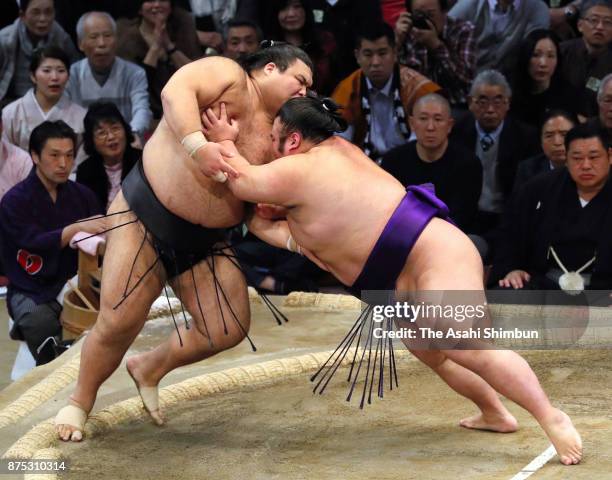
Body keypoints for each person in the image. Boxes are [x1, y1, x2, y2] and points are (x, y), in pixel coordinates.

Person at [201, 94, 582, 465]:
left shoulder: (304, 167)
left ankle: (552, 417)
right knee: (433, 353)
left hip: (433, 255)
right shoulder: (328, 167)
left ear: (294, 140)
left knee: (466, 346)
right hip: (403, 272)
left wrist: (222, 139)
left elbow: (243, 181)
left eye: (273, 138)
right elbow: (270, 227)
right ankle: (494, 412)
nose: (270, 147)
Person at [54, 43, 314, 442]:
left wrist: (297, 243)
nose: (305, 91)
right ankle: (80, 401)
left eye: (310, 87)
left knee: (225, 327)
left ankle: (150, 368)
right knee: (119, 320)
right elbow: (175, 92)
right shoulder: (228, 74)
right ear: (268, 68)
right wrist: (199, 146)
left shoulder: (280, 131)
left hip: (205, 243)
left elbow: (256, 209)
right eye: (300, 80)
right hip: (144, 217)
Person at [0, 120, 104, 366]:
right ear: (35, 156)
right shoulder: (14, 202)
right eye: (54, 155)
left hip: (77, 282)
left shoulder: (83, 195)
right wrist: (75, 229)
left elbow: (100, 234)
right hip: (31, 286)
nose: (63, 164)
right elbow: (31, 242)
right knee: (38, 321)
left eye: (69, 156)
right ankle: (56, 372)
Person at [493, 123, 612, 291]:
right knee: (505, 294)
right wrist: (512, 269)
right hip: (544, 284)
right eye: (577, 158)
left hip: (603, 289)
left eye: (594, 157)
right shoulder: (538, 189)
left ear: (610, 156)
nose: (585, 165)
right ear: (566, 159)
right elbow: (511, 235)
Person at [451, 69, 540, 257]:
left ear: (508, 103)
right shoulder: (455, 132)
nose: (490, 109)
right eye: (483, 101)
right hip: (466, 215)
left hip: (506, 215)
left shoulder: (526, 137)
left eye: (498, 101)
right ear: (470, 103)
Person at [331, 22, 441, 161]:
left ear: (395, 53)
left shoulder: (418, 89)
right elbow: (340, 144)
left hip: (411, 162)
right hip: (364, 165)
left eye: (382, 53)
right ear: (357, 56)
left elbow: (426, 141)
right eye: (368, 54)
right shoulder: (347, 90)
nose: (375, 62)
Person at [381, 93, 482, 233]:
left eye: (438, 119)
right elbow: (387, 211)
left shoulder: (469, 164)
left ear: (449, 125)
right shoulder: (392, 161)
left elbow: (462, 217)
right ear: (412, 124)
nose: (430, 127)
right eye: (423, 119)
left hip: (452, 236)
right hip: (403, 234)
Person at [66, 12, 153, 143]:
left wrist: (131, 134)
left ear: (116, 39)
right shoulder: (71, 74)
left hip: (126, 141)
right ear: (80, 43)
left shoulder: (135, 73)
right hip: (83, 144)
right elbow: (66, 115)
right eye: (94, 37)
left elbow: (142, 110)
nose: (101, 43)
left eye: (107, 36)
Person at [116, 0, 202, 120]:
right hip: (147, 114)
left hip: (186, 109)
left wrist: (169, 46)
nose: (156, 5)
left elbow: (196, 76)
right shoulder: (127, 37)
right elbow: (135, 87)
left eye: (162, 0)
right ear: (140, 8)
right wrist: (155, 47)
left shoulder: (184, 27)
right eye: (150, 1)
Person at [1, 46, 86, 153]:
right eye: (46, 71)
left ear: (68, 75)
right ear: (33, 76)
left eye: (61, 70)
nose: (54, 77)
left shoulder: (81, 116)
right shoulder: (11, 113)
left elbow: (81, 161)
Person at [395, 0, 477, 108]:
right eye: (419, 15)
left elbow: (465, 79)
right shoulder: (405, 33)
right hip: (414, 106)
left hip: (454, 105)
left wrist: (436, 45)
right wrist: (396, 43)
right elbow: (388, 79)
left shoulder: (463, 30)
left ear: (444, 12)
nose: (425, 21)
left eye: (430, 15)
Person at [0, 0, 79, 104]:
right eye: (36, 12)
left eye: (48, 12)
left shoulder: (62, 40)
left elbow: (75, 72)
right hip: (10, 101)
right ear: (22, 15)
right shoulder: (4, 40)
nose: (43, 19)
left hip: (51, 101)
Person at [448, 0, 549, 75]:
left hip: (513, 85)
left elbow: (537, 52)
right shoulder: (469, 5)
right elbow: (441, 36)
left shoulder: (537, 9)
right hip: (467, 81)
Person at [262, 0, 338, 95]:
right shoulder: (267, 47)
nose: (291, 14)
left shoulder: (325, 42)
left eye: (297, 7)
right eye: (283, 8)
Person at [510, 29, 582, 127]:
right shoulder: (510, 93)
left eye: (551, 56)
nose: (543, 63)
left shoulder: (569, 96)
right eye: (535, 55)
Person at [76, 102, 141, 211]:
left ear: (125, 130)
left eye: (115, 128)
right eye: (102, 133)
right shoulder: (85, 171)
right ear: (91, 140)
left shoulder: (142, 162)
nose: (111, 137)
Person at [560, 0, 612, 118]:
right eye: (594, 20)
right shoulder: (561, 52)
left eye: (607, 22)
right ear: (580, 25)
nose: (600, 27)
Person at [513, 110, 577, 190]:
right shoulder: (528, 170)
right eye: (549, 136)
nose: (557, 142)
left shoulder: (588, 167)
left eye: (564, 134)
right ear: (541, 142)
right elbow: (520, 201)